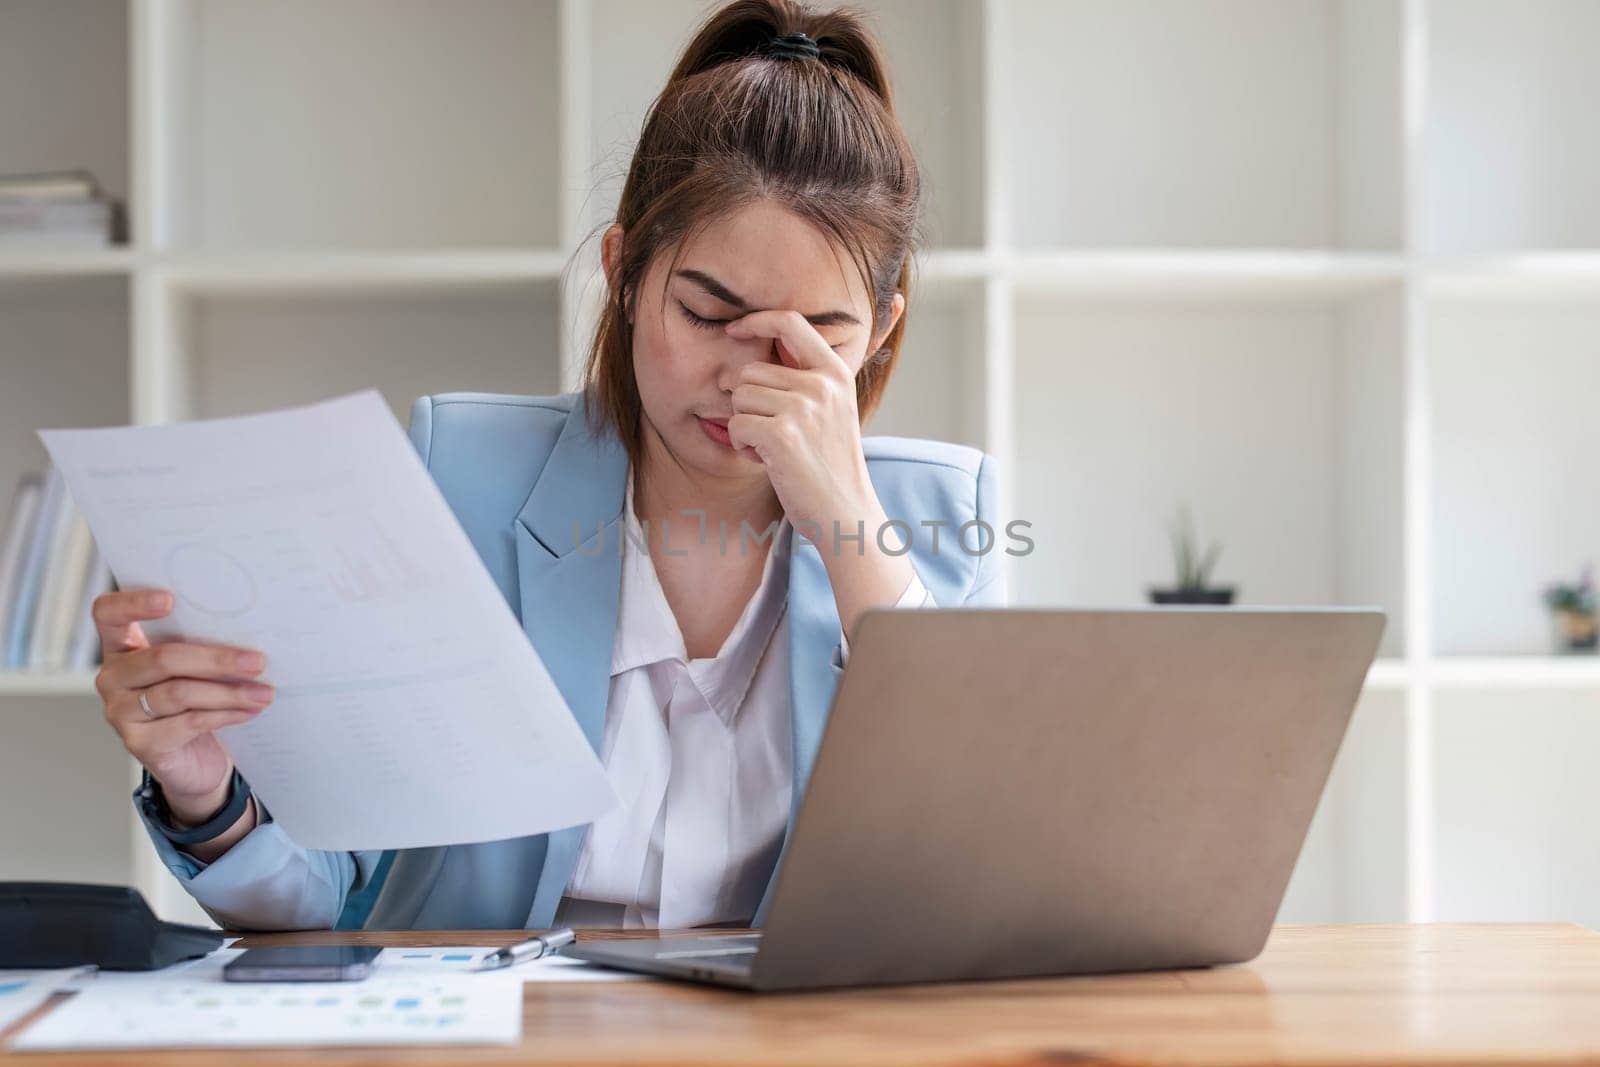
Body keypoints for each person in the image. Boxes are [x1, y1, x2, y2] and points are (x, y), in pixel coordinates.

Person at [91, 0, 1008, 932]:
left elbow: (980, 878)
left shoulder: (935, 521)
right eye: (705, 313)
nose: (748, 378)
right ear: (622, 272)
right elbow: (334, 893)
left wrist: (850, 530)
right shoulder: (465, 476)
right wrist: (208, 796)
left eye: (817, 333)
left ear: (883, 330)